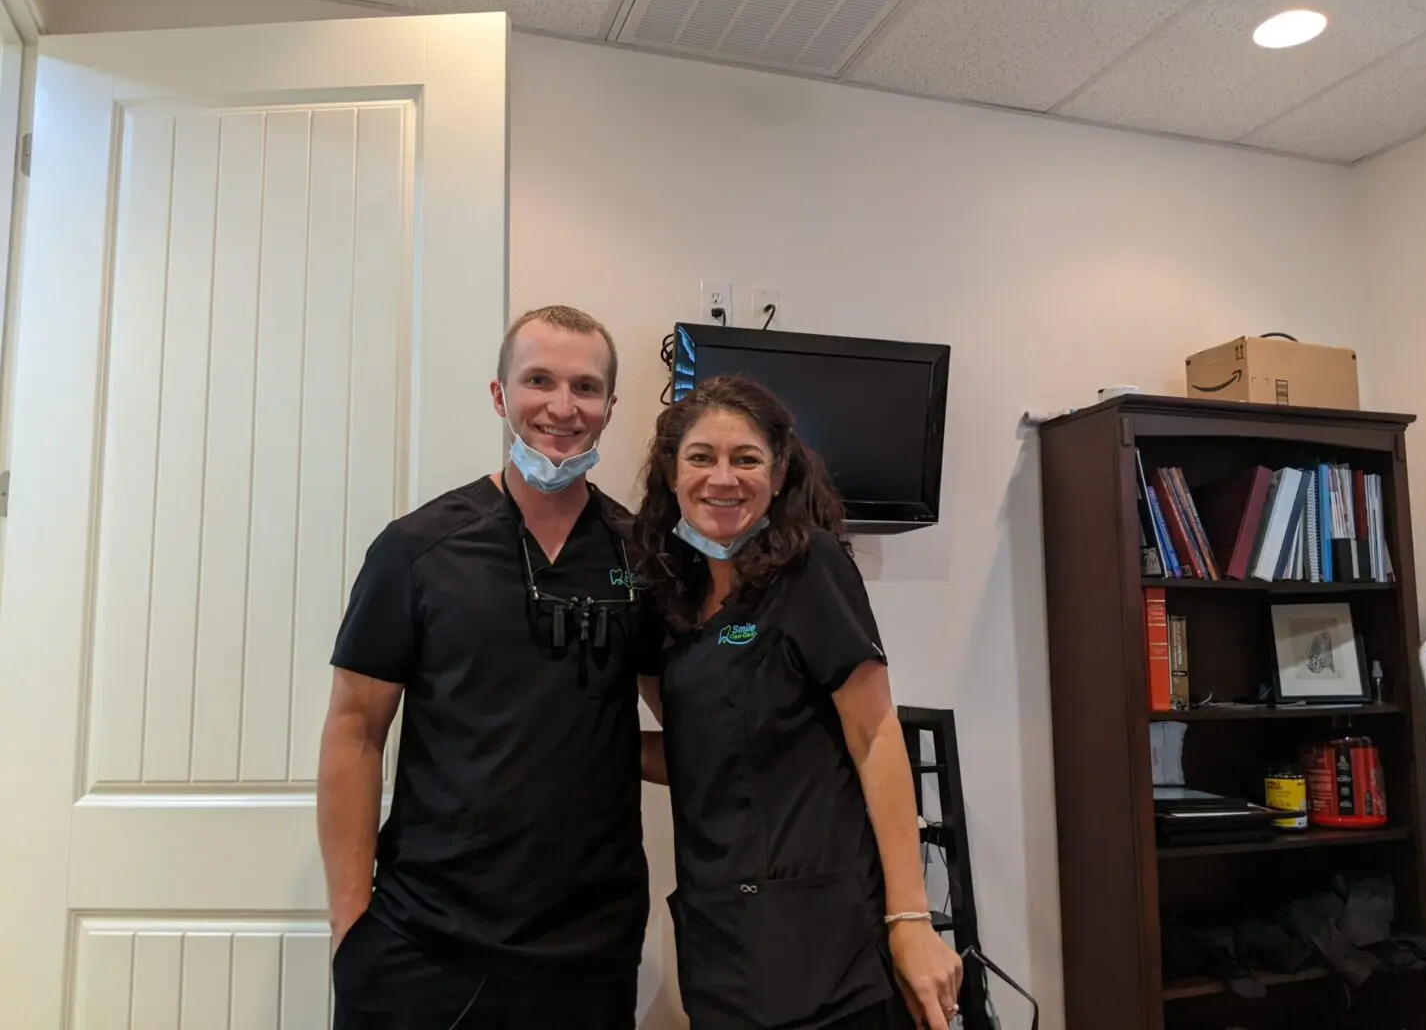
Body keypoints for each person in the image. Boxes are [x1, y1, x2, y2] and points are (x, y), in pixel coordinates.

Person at [318, 305, 652, 1030]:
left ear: (610, 408)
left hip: (589, 953)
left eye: (586, 388)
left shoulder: (641, 556)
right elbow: (354, 734)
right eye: (539, 381)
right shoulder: (416, 550)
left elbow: (690, 724)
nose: (563, 407)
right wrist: (351, 927)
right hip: (422, 945)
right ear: (500, 396)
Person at [632, 375, 965, 1030]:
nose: (722, 479)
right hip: (721, 937)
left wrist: (912, 921)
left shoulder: (808, 567)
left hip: (826, 938)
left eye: (746, 458)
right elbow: (705, 755)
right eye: (701, 457)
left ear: (779, 473)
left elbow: (875, 737)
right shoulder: (671, 599)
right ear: (672, 474)